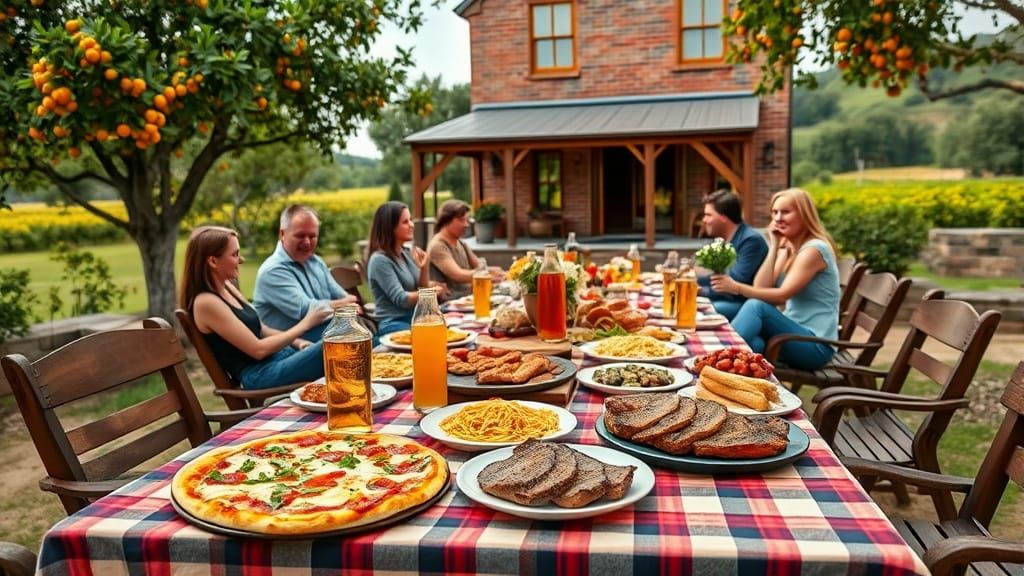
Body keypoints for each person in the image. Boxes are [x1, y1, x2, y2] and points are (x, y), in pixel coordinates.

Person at [180, 226, 333, 390]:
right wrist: (306, 324)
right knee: (338, 344)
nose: (241, 260)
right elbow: (258, 350)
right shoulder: (206, 303)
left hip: (278, 357)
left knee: (339, 328)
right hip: (260, 373)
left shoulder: (227, 287)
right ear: (213, 261)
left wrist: (299, 342)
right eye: (235, 254)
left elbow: (262, 329)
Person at [710, 188, 839, 371]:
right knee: (755, 344)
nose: (778, 218)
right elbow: (761, 287)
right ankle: (727, 377)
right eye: (775, 212)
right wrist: (774, 245)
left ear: (804, 214)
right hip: (792, 336)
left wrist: (737, 287)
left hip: (815, 345)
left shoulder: (814, 250)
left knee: (756, 307)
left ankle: (715, 364)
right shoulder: (788, 249)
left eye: (785, 212)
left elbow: (781, 296)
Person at [253, 205, 360, 341]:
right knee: (359, 338)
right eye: (300, 236)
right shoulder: (272, 271)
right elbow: (307, 310)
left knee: (365, 336)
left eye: (312, 236)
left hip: (323, 333)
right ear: (282, 234)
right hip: (292, 346)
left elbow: (344, 297)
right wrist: (344, 305)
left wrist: (346, 304)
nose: (307, 242)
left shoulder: (316, 262)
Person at [366, 202, 449, 339]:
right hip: (394, 323)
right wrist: (432, 291)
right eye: (405, 222)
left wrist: (424, 267)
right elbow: (402, 299)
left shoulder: (406, 252)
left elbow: (421, 290)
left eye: (410, 220)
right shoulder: (379, 260)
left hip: (416, 319)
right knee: (432, 338)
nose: (411, 225)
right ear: (390, 227)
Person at [696, 190, 768, 320]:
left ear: (723, 217)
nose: (704, 220)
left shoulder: (750, 240)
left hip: (746, 304)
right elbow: (706, 274)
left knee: (700, 308)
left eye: (708, 215)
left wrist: (701, 290)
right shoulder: (723, 240)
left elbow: (733, 282)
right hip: (727, 299)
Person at [427, 199, 504, 299]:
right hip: (450, 303)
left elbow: (479, 265)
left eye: (467, 220)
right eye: (462, 220)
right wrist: (488, 274)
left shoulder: (461, 242)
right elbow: (459, 275)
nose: (466, 225)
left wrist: (498, 272)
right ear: (446, 220)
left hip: (468, 298)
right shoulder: (438, 246)